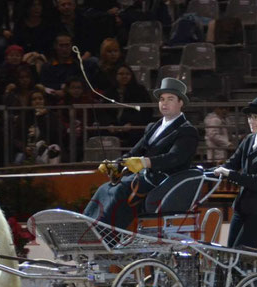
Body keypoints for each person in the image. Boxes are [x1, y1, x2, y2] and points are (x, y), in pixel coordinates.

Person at [83, 78, 199, 232]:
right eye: (162, 99)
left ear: (180, 103)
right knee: (105, 188)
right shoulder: (153, 127)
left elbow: (175, 158)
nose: (164, 103)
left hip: (164, 181)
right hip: (144, 177)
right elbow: (134, 152)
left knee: (120, 190)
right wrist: (116, 163)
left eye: (170, 99)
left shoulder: (187, 130)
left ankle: (105, 235)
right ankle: (86, 228)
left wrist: (146, 162)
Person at [213, 97, 257, 249]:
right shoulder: (249, 139)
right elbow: (232, 163)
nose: (251, 121)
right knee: (230, 253)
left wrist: (229, 174)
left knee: (241, 254)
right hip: (242, 207)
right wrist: (209, 172)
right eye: (250, 117)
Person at [203, 95, 233, 162]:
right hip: (216, 153)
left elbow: (226, 135)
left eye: (226, 108)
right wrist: (228, 144)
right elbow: (213, 135)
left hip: (223, 152)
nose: (224, 110)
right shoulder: (214, 120)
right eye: (221, 108)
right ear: (216, 108)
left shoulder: (225, 119)